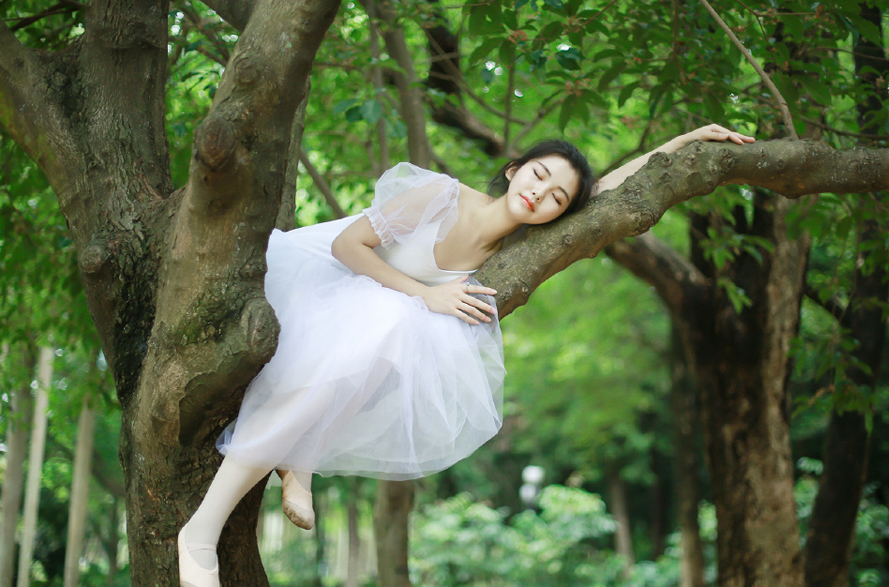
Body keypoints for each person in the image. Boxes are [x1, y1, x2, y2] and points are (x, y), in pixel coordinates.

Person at [177, 124, 754, 587]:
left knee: (388, 338)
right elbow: (346, 245)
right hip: (323, 285)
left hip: (381, 318)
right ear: (513, 169)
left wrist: (680, 143)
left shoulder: (517, 245)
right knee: (387, 327)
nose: (541, 193)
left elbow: (607, 190)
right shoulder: (439, 195)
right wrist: (428, 294)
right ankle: (200, 533)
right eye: (537, 175)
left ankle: (296, 459)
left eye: (557, 197)